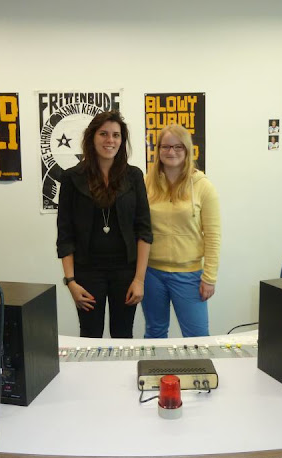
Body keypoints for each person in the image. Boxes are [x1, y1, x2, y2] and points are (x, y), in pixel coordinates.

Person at [56, 111, 152, 338]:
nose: (110, 140)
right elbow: (65, 234)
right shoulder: (72, 177)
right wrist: (71, 281)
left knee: (123, 335)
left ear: (122, 140)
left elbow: (144, 230)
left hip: (126, 272)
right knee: (90, 335)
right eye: (104, 134)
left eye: (116, 135)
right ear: (92, 137)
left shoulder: (134, 176)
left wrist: (139, 280)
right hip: (87, 272)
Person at [143, 124, 221, 338]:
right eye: (166, 146)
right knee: (155, 332)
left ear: (187, 150)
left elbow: (213, 236)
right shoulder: (146, 183)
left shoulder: (203, 186)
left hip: (189, 275)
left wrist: (209, 277)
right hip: (151, 273)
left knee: (198, 337)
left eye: (178, 147)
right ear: (158, 150)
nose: (171, 152)